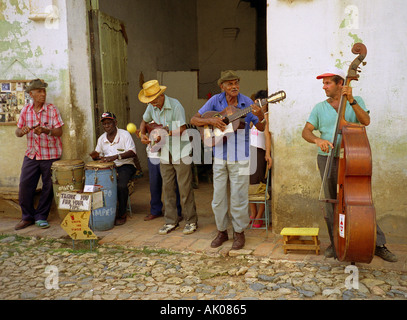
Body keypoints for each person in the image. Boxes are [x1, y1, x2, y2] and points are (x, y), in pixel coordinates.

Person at [302, 66, 397, 262]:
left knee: (358, 201)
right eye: (323, 84)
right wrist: (317, 141)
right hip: (327, 158)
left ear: (340, 84)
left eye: (328, 83)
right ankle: (336, 243)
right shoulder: (320, 107)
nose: (324, 87)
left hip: (353, 157)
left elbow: (366, 121)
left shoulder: (356, 101)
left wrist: (351, 100)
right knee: (331, 202)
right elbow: (306, 132)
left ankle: (377, 244)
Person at [190, 70, 266, 250]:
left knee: (239, 197)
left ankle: (239, 233)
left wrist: (260, 115)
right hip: (219, 155)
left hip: (240, 155)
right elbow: (194, 119)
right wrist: (213, 121)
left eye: (236, 83)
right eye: (230, 84)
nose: (234, 87)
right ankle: (222, 231)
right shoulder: (215, 100)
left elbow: (261, 127)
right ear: (222, 86)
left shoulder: (247, 102)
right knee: (218, 197)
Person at [138, 80, 198, 235]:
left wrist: (165, 133)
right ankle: (171, 221)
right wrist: (142, 133)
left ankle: (191, 221)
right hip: (164, 152)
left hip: (181, 151)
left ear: (161, 95)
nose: (153, 104)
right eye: (150, 102)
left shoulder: (176, 105)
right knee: (168, 187)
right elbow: (144, 121)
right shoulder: (151, 106)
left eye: (155, 101)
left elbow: (183, 129)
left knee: (184, 189)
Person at [14, 79, 64, 230]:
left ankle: (41, 217)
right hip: (31, 155)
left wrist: (45, 130)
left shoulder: (52, 109)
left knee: (48, 188)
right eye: (39, 91)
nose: (43, 94)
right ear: (31, 94)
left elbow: (59, 131)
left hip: (50, 155)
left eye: (44, 91)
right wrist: (21, 132)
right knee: (25, 186)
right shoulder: (25, 110)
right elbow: (17, 131)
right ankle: (27, 217)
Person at [90, 112, 137, 226]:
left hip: (126, 165)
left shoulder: (125, 135)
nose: (107, 126)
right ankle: (103, 211)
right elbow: (98, 154)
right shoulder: (101, 139)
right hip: (110, 168)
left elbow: (132, 152)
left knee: (121, 185)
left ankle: (122, 213)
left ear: (115, 123)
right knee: (96, 184)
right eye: (104, 124)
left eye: (109, 123)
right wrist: (96, 156)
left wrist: (116, 156)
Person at [134, 122, 182, 221]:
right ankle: (155, 210)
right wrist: (142, 134)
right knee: (154, 184)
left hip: (167, 155)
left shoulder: (168, 115)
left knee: (171, 185)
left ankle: (177, 211)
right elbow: (144, 128)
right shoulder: (147, 117)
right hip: (153, 156)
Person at [249, 90, 272, 228]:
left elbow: (267, 135)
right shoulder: (252, 116)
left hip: (259, 151)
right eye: (256, 102)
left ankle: (260, 216)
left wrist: (268, 154)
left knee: (260, 184)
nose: (259, 105)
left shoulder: (267, 117)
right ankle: (253, 212)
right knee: (249, 184)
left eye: (262, 103)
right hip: (249, 151)